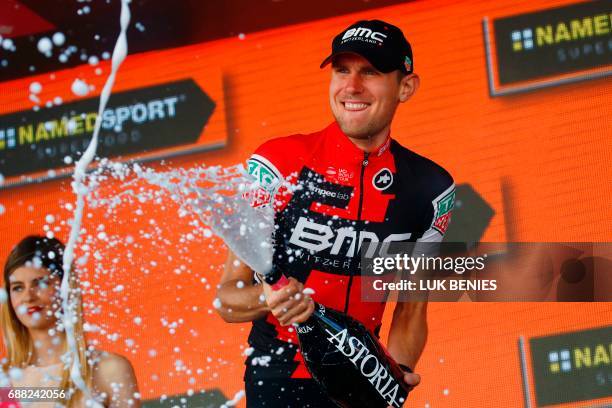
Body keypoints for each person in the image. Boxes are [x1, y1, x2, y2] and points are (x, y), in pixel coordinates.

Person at [216, 19, 455, 407]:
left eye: (371, 72)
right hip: (278, 376)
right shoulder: (276, 164)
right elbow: (228, 298)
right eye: (342, 70)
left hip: (361, 379)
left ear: (406, 86)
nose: (352, 86)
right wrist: (268, 299)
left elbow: (412, 311)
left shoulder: (431, 189)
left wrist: (392, 375)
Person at [1, 235, 140, 407]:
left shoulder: (109, 370)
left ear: (66, 287)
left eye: (40, 283)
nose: (28, 296)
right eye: (18, 288)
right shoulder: (5, 382)